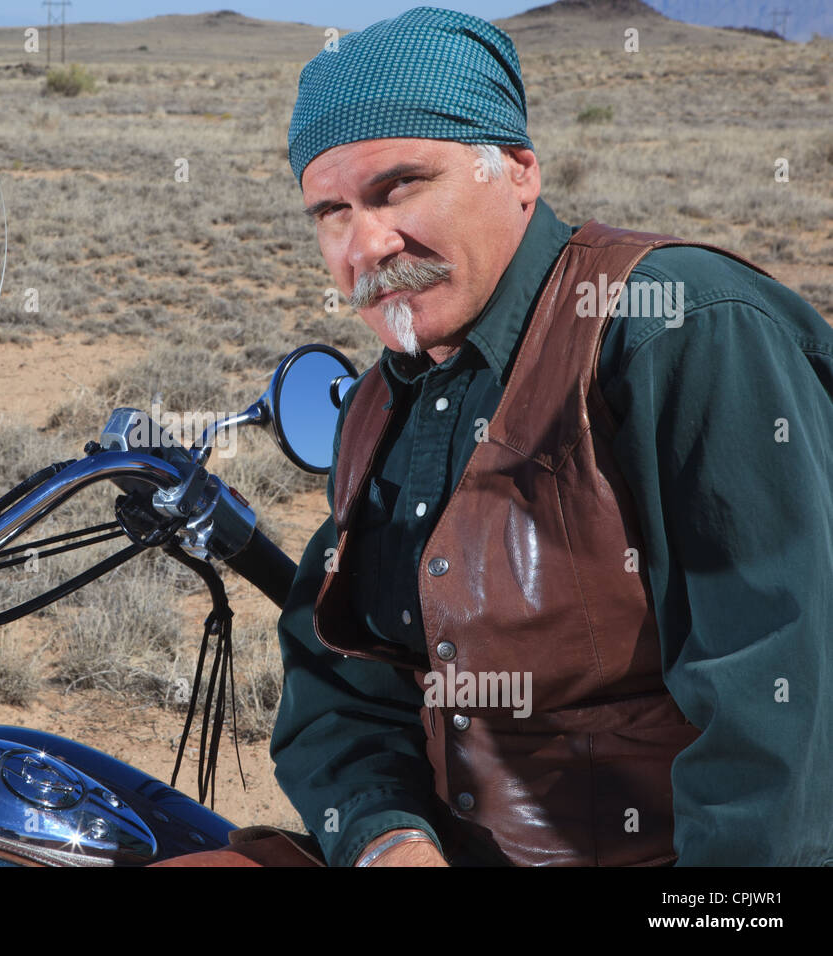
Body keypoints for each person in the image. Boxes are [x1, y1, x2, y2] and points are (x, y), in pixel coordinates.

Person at [163, 6, 833, 867]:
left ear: (517, 170)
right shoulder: (378, 401)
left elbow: (782, 725)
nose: (366, 244)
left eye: (399, 186)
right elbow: (343, 688)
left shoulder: (679, 328)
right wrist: (385, 839)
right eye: (330, 211)